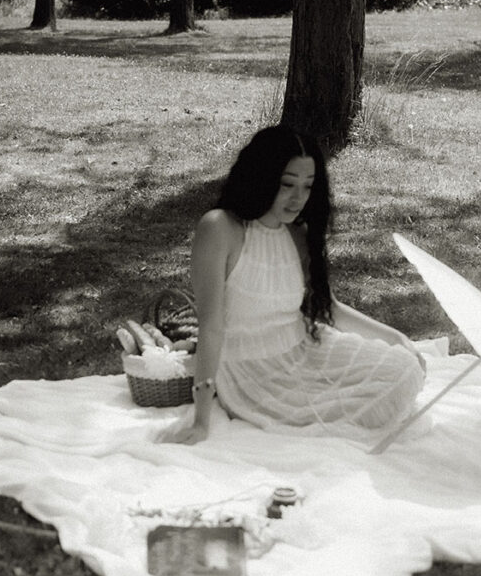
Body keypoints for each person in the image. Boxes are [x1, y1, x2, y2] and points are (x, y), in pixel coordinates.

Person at [160, 125, 425, 444]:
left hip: (306, 347)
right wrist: (201, 420)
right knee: (346, 409)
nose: (298, 198)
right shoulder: (220, 228)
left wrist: (397, 338)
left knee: (403, 369)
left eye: (308, 186)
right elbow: (211, 327)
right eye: (287, 184)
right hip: (253, 371)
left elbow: (331, 308)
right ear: (262, 177)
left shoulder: (296, 234)